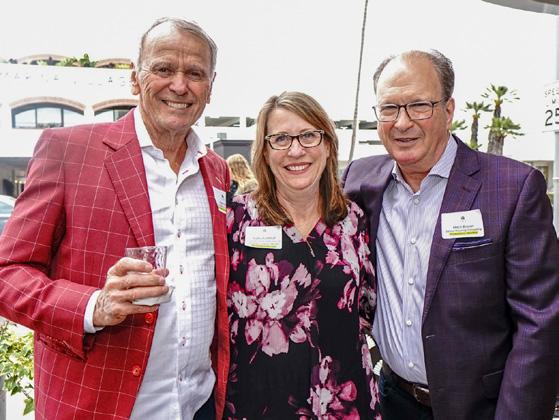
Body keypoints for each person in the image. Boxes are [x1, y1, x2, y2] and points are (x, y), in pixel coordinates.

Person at [0, 17, 230, 420]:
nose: (179, 85)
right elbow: (8, 273)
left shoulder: (216, 170)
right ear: (135, 79)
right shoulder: (69, 151)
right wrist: (94, 305)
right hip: (100, 407)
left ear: (210, 87)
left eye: (195, 73)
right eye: (163, 68)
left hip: (198, 405)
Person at [343, 49, 559, 420]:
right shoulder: (359, 182)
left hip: (482, 408)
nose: (402, 122)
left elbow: (541, 321)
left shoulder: (512, 188)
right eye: (390, 108)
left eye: (419, 105)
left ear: (448, 109)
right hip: (392, 401)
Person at [225, 91, 381, 419]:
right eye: (281, 139)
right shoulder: (235, 220)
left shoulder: (354, 220)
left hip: (344, 404)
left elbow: (367, 307)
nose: (296, 150)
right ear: (264, 151)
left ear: (328, 145)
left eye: (309, 135)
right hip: (259, 406)